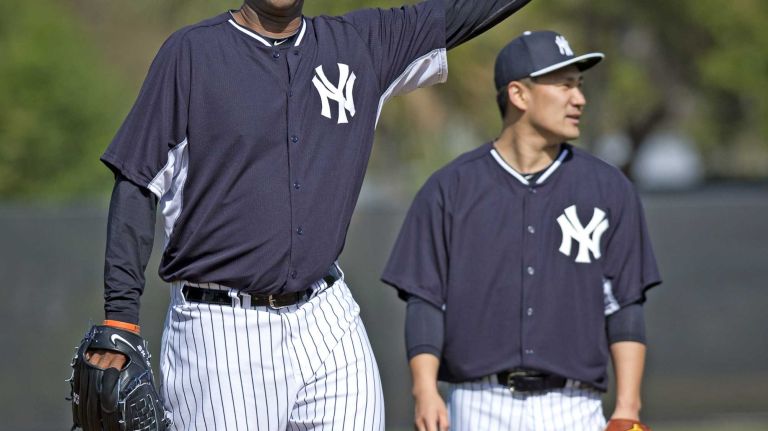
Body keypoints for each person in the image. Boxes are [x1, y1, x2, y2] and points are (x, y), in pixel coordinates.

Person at [81, 1, 536, 430]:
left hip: (326, 315)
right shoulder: (193, 54)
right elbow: (138, 182)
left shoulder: (358, 45)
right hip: (221, 330)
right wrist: (121, 316)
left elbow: (456, 12)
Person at [382, 30, 662, 431]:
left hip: (575, 408)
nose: (578, 98)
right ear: (519, 95)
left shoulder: (608, 188)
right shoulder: (451, 188)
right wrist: (425, 391)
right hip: (478, 405)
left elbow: (625, 307)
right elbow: (425, 301)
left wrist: (627, 410)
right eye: (564, 85)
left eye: (579, 86)